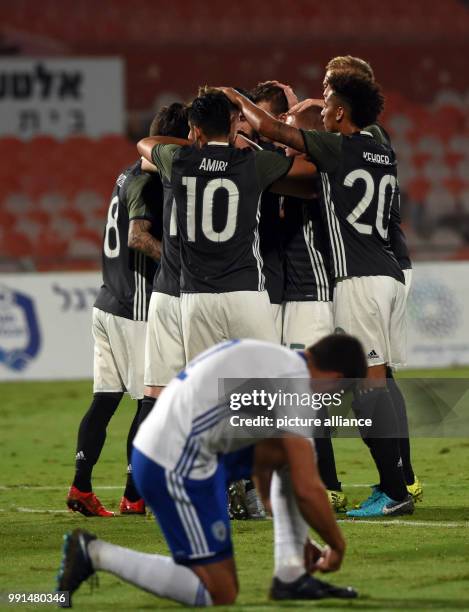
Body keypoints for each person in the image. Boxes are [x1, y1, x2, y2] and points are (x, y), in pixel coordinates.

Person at [220, 73, 415, 518]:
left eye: (327, 105)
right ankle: (399, 481)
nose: (321, 112)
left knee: (366, 390)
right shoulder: (382, 149)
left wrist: (233, 99)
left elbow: (272, 131)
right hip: (388, 273)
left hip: (357, 280)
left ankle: (392, 489)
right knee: (376, 383)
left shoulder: (337, 149)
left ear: (342, 113)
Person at [57, 334, 368, 607]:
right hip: (172, 464)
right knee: (219, 592)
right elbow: (307, 490)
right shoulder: (295, 387)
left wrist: (297, 540)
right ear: (336, 377)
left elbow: (268, 461)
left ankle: (291, 575)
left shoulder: (278, 360)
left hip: (175, 446)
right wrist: (337, 547)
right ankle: (94, 553)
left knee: (291, 452)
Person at [137, 90, 316, 364]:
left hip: (198, 297)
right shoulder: (254, 163)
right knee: (263, 386)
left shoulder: (179, 161)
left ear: (195, 131)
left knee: (207, 386)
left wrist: (195, 146)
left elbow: (146, 143)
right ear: (234, 125)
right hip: (245, 292)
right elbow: (309, 169)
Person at [66, 122, 163, 517]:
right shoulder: (146, 181)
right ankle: (134, 495)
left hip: (107, 301)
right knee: (148, 403)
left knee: (104, 400)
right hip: (134, 304)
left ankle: (81, 487)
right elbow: (138, 238)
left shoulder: (125, 173)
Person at [142, 103, 189, 422]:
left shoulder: (143, 171)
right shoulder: (231, 163)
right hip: (201, 289)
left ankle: (142, 472)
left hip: (165, 291)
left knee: (156, 391)